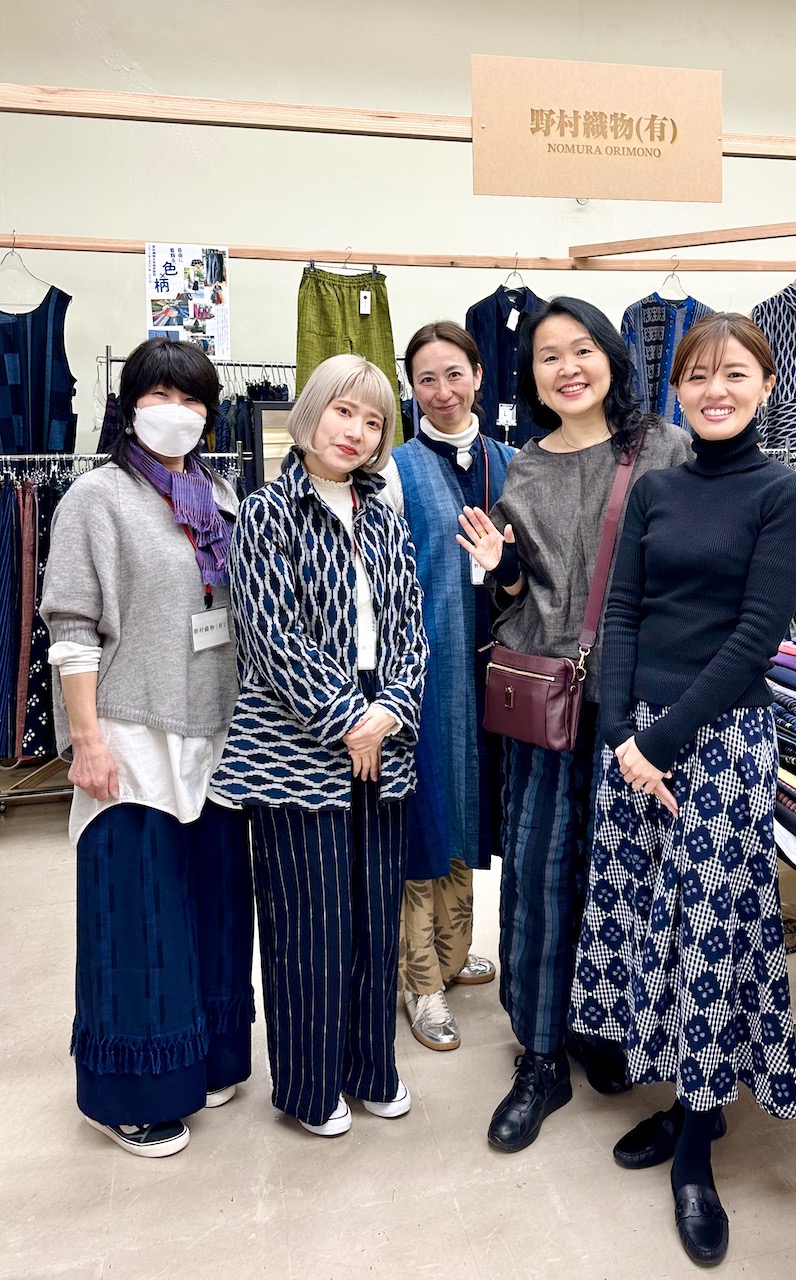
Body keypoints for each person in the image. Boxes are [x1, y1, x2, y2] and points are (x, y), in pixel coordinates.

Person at [568, 313, 796, 1267]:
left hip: (718, 743)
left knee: (707, 937)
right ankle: (682, 1103)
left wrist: (662, 742)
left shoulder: (784, 491)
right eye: (698, 376)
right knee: (648, 925)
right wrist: (623, 737)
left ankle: (695, 1146)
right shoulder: (656, 488)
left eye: (735, 374)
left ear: (765, 386)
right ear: (675, 389)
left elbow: (757, 637)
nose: (715, 391)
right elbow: (622, 610)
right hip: (635, 741)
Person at [456, 296, 692, 1152]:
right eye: (548, 355)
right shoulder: (524, 466)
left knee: (621, 874)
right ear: (530, 375)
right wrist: (502, 569)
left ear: (610, 357)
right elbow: (522, 589)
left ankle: (604, 1026)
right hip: (546, 696)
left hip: (634, 702)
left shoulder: (664, 448)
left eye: (581, 349)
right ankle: (540, 1052)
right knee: (540, 869)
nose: (567, 367)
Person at [40, 337, 253, 1158]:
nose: (178, 412)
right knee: (138, 917)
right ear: (130, 406)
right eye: (161, 395)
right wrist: (85, 740)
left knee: (213, 907)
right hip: (130, 732)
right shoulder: (95, 498)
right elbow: (71, 626)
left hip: (216, 732)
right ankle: (130, 1094)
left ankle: (208, 1055)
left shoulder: (220, 496)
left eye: (193, 398)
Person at [211, 354, 428, 1137]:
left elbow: (411, 628)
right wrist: (345, 717)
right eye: (343, 411)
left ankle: (372, 1068)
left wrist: (388, 710)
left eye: (372, 421)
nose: (356, 431)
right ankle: (309, 1085)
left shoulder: (384, 515)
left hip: (384, 733)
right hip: (293, 740)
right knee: (310, 925)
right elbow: (269, 636)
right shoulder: (266, 511)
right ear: (310, 414)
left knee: (373, 916)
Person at [379, 322, 513, 1051]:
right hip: (422, 670)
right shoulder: (395, 469)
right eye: (426, 379)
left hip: (496, 672)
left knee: (469, 807)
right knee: (424, 815)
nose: (442, 391)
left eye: (454, 374)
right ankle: (420, 979)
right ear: (412, 387)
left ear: (479, 375)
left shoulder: (510, 462)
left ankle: (454, 951)